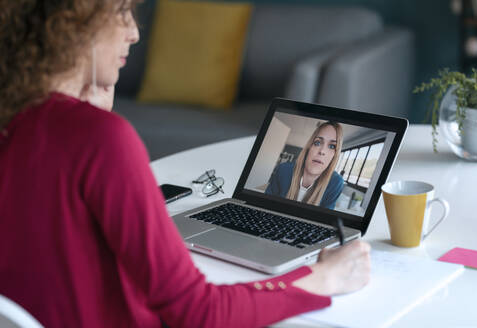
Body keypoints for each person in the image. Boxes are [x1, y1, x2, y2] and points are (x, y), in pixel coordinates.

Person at [0, 1, 371, 327]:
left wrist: (90, 112)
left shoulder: (16, 122)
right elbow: (197, 311)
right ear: (71, 21)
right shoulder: (99, 139)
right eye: (121, 11)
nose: (133, 33)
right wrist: (322, 277)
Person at [266, 122, 344, 209]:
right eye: (317, 143)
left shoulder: (336, 183)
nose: (322, 151)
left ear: (335, 155)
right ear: (309, 147)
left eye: (332, 146)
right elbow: (266, 205)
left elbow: (325, 218)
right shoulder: (283, 170)